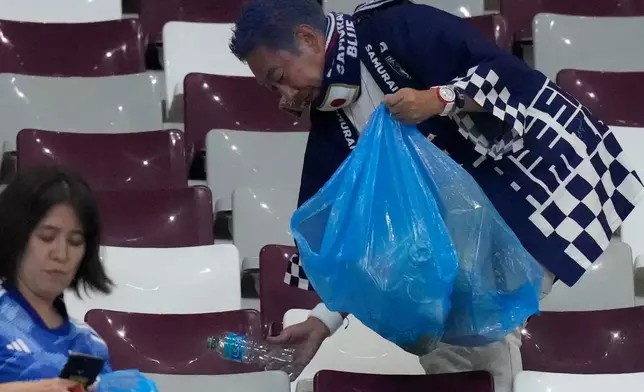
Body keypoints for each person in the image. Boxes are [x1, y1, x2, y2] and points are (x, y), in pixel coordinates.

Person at [230, 0, 644, 390]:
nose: (284, 99)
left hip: (533, 182)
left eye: (279, 78)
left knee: (460, 337)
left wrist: (439, 99)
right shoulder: (329, 131)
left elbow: (506, 74)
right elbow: (357, 249)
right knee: (446, 328)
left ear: (308, 39)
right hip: (464, 234)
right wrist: (322, 320)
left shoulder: (395, 28)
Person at [0, 167, 113, 390]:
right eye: (47, 237)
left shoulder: (91, 346)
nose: (61, 254)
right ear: (14, 236)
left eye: (75, 242)